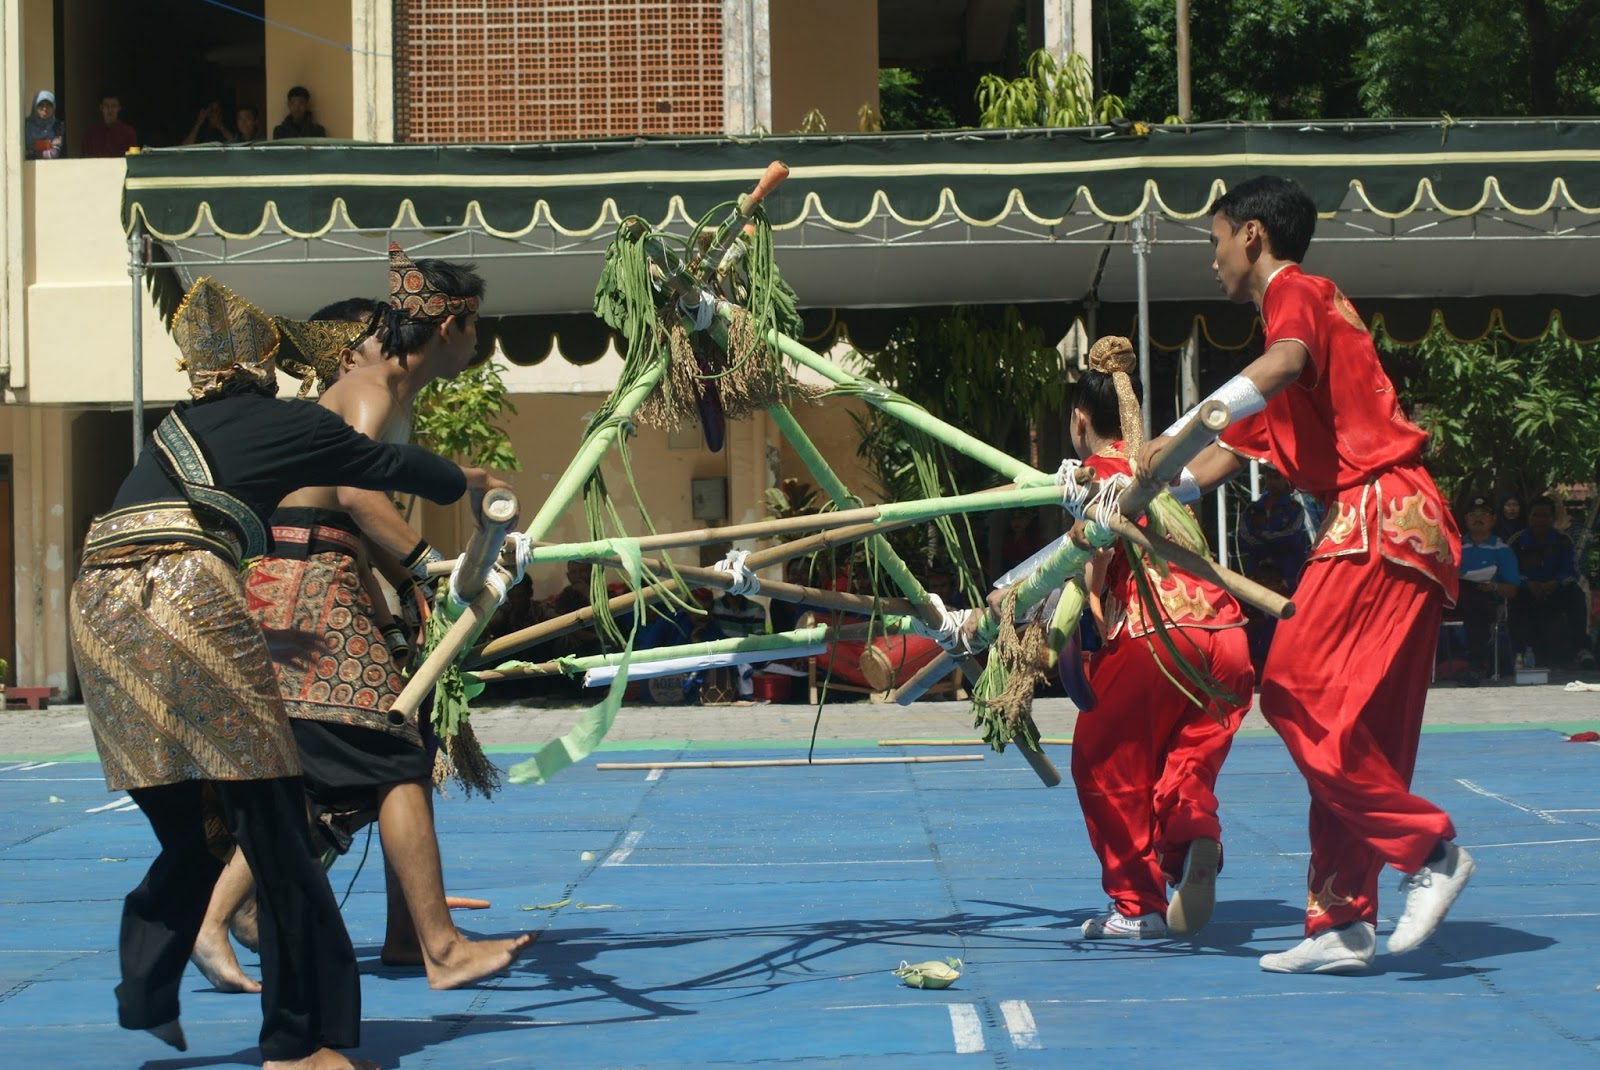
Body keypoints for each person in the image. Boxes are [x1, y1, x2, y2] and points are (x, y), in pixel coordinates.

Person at [70, 276, 493, 1068]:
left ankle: (147, 984)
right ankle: (299, 1047)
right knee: (275, 838)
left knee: (196, 836)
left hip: (96, 608)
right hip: (188, 595)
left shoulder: (172, 431)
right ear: (267, 368)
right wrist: (472, 486)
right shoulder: (292, 422)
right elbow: (384, 465)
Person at [1139, 175, 1471, 974]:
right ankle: (1343, 922)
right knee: (1354, 733)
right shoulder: (1297, 350)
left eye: (1214, 238)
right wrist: (1141, 483)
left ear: (1251, 235)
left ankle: (1427, 849)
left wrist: (1174, 433)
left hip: (1377, 519)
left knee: (1288, 685)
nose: (1211, 257)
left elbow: (1275, 368)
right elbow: (1221, 462)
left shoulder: (1296, 296)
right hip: (1400, 528)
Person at [196, 253, 532, 993]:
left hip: (317, 578)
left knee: (340, 770)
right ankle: (433, 946)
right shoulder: (372, 390)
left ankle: (398, 936)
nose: (478, 344)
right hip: (307, 587)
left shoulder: (385, 395)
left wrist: (402, 607)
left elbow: (344, 523)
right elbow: (351, 493)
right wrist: (424, 565)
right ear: (452, 322)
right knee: (393, 757)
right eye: (476, 327)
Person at [1064, 337, 1252, 941]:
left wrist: (1079, 601)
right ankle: (1193, 833)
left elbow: (1092, 565)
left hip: (1154, 639)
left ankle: (1135, 903)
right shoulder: (1161, 468)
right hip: (1224, 635)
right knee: (1186, 761)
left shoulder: (1090, 477)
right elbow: (1230, 455)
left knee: (1103, 764)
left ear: (1078, 421)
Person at [1509, 495, 1589, 667]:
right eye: (1535, 515)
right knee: (1513, 597)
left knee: (1577, 595)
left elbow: (1571, 572)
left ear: (1552, 518)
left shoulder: (1563, 540)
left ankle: (1580, 649)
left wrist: (1556, 583)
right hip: (1527, 592)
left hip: (1555, 591)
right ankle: (1517, 652)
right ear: (1529, 517)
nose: (1540, 520)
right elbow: (1509, 573)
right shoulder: (1517, 541)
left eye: (1544, 516)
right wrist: (1528, 584)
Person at [1449, 496, 1519, 686]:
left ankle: (1475, 666)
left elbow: (1512, 589)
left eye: (1483, 515)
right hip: (1453, 598)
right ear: (1465, 520)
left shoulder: (1502, 549)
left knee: (1475, 603)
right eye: (1473, 514)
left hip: (1487, 600)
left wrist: (1495, 586)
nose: (1477, 518)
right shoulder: (1454, 547)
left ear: (1493, 519)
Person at [1237, 465, 1311, 590]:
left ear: (1285, 479)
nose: (1272, 482)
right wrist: (1268, 546)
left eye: (1277, 477)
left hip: (1290, 572)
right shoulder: (1252, 510)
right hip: (1257, 568)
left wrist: (1262, 535)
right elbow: (1244, 538)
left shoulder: (1295, 508)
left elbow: (1291, 536)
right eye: (1269, 477)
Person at [81, 92, 138, 157]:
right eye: (106, 106)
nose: (110, 110)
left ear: (119, 108)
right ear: (101, 108)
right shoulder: (90, 133)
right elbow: (83, 159)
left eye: (113, 106)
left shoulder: (129, 133)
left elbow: (134, 158)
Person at [25, 89, 63, 159]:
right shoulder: (25, 125)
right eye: (41, 105)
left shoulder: (57, 126)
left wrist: (32, 153)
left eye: (49, 105)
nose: (45, 109)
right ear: (35, 106)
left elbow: (54, 153)